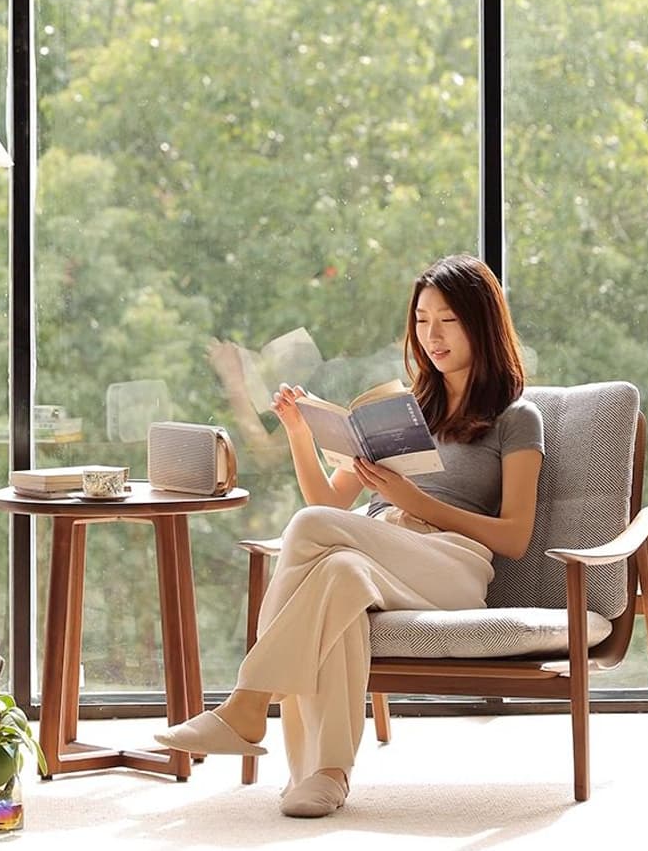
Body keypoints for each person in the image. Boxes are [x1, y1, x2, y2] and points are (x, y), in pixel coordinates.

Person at [156, 254, 545, 818]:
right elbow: (327, 502)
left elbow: (514, 537)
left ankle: (248, 701)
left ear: (481, 323)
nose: (431, 336)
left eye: (447, 321)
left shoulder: (517, 418)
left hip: (454, 567)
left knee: (316, 535)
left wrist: (417, 501)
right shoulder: (402, 407)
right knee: (336, 573)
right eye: (421, 321)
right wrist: (298, 431)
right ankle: (326, 774)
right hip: (378, 548)